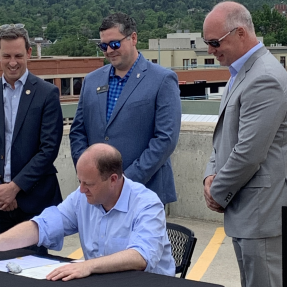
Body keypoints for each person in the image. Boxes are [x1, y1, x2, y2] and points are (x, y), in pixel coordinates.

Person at [0, 143, 175, 281]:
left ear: (113, 179)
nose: (82, 190)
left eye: (88, 184)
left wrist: (88, 265)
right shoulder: (81, 197)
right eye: (80, 181)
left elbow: (140, 257)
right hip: (101, 280)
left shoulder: (147, 204)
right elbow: (44, 225)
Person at [203, 2, 287, 287]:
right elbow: (222, 137)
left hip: (261, 214)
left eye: (214, 43)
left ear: (240, 33)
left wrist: (217, 190)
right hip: (246, 211)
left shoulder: (264, 77)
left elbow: (249, 153)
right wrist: (209, 174)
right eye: (207, 43)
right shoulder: (240, 73)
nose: (210, 51)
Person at [69, 13, 181, 205]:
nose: (109, 51)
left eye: (115, 44)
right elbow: (78, 131)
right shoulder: (91, 81)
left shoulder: (162, 80)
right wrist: (89, 177)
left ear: (134, 38)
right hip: (98, 194)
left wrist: (125, 182)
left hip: (144, 192)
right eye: (104, 46)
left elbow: (165, 139)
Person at [0, 24, 63, 254]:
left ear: (28, 53)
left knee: (34, 270)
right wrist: (3, 192)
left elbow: (48, 150)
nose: (12, 62)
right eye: (6, 55)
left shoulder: (46, 93)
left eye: (18, 55)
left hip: (33, 202)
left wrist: (15, 188)